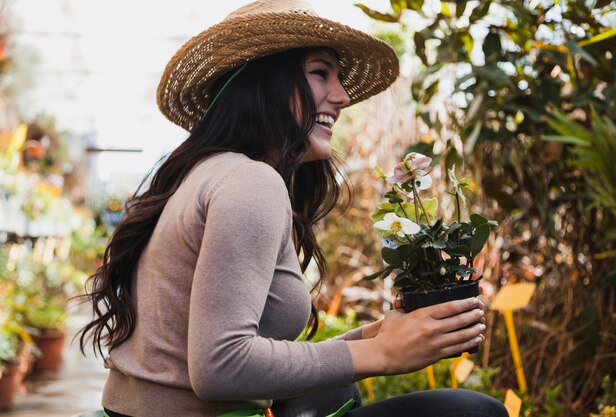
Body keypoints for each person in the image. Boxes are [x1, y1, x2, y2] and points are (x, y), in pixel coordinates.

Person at [78, 1, 508, 416]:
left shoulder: (203, 174)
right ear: (265, 84)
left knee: (339, 387)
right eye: (320, 73)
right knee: (474, 411)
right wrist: (383, 354)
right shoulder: (250, 181)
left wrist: (374, 336)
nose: (340, 96)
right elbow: (219, 367)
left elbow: (220, 359)